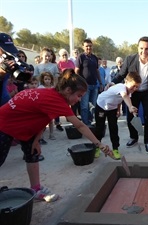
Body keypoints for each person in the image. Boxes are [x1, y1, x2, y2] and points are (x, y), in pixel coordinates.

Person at [0, 68, 113, 203]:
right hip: (4, 123)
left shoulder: (54, 95)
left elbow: (43, 118)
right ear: (68, 91)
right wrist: (99, 144)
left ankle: (36, 189)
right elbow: (80, 126)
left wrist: (36, 140)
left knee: (33, 154)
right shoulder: (57, 101)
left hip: (24, 123)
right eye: (79, 95)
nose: (79, 99)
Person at [111, 36, 148, 153]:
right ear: (137, 48)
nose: (143, 51)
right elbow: (121, 74)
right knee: (131, 116)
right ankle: (133, 137)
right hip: (132, 93)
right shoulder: (130, 59)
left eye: (147, 49)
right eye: (141, 48)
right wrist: (112, 82)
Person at [95, 72, 141, 160]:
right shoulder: (121, 87)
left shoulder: (129, 92)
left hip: (112, 108)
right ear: (126, 81)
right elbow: (124, 96)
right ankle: (97, 146)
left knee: (114, 128)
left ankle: (115, 149)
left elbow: (120, 99)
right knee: (99, 128)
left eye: (137, 87)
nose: (135, 88)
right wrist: (130, 107)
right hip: (101, 105)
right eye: (134, 85)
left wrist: (118, 109)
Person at [75, 39, 101, 125]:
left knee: (92, 106)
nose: (88, 48)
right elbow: (77, 71)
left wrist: (100, 82)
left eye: (90, 46)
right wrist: (79, 83)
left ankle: (89, 121)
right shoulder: (81, 57)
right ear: (83, 47)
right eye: (86, 46)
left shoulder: (94, 58)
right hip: (85, 86)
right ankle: (85, 125)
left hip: (94, 85)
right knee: (84, 107)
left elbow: (97, 71)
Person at [38, 72, 56, 141]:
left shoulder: (52, 88)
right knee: (42, 122)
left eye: (49, 79)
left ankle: (51, 134)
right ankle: (41, 136)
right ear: (43, 80)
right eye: (46, 79)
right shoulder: (40, 87)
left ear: (51, 80)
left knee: (51, 121)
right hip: (42, 107)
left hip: (50, 106)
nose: (47, 81)